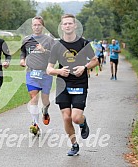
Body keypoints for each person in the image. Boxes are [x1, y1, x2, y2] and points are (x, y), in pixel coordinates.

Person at [47, 14, 98, 156]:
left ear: (75, 26)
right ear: (62, 26)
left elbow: (95, 60)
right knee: (66, 117)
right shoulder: (57, 46)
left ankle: (83, 122)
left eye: (70, 23)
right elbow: (49, 69)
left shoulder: (83, 43)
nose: (68, 26)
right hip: (62, 84)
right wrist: (59, 71)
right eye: (65, 24)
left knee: (76, 117)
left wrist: (85, 67)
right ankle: (74, 144)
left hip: (80, 83)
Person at [20, 16, 54, 135]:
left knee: (45, 101)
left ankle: (45, 111)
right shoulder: (26, 39)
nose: (36, 27)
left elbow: (54, 56)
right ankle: (35, 124)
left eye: (39, 25)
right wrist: (22, 60)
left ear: (42, 26)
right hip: (31, 72)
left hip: (45, 73)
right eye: (34, 25)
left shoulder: (49, 40)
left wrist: (44, 50)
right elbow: (23, 52)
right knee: (33, 98)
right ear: (31, 26)